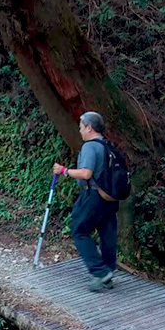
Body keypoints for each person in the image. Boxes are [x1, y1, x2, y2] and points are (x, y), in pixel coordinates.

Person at [53, 111, 119, 292]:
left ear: (89, 127)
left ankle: (100, 272)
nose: (80, 131)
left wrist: (64, 171)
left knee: (79, 231)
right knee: (107, 233)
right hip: (110, 197)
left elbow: (86, 173)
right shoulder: (107, 145)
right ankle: (108, 273)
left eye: (81, 127)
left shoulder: (90, 146)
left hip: (93, 195)